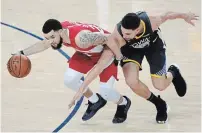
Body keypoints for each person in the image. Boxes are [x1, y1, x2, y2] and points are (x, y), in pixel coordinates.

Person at [70, 11, 198, 124]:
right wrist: (82, 88)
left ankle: (173, 72)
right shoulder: (118, 36)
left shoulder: (151, 22)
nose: (124, 35)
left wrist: (185, 15)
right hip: (131, 51)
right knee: (131, 81)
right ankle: (159, 104)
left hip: (153, 46)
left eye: (128, 34)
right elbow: (100, 66)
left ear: (137, 30)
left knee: (160, 85)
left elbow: (167, 15)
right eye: (123, 32)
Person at [13, 19, 131, 123]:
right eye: (48, 38)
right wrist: (22, 53)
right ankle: (95, 101)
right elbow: (44, 44)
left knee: (106, 91)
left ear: (60, 32)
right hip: (87, 53)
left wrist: (119, 56)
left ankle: (123, 103)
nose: (50, 41)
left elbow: (109, 38)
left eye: (52, 37)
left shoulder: (82, 38)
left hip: (107, 52)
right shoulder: (60, 30)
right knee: (70, 80)